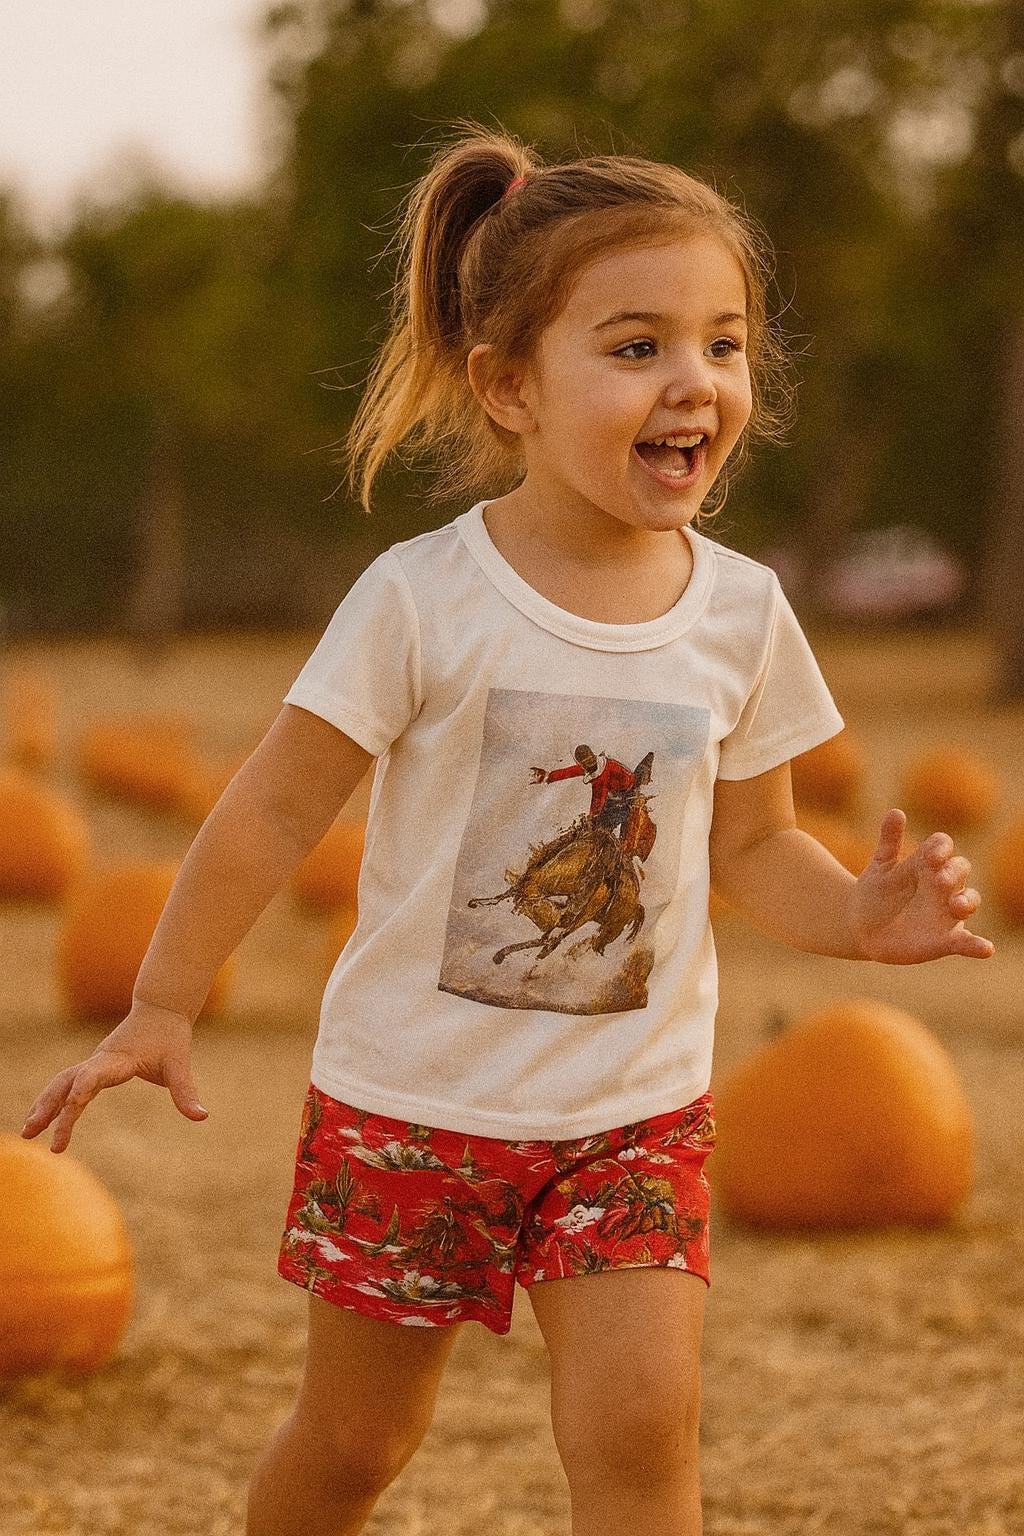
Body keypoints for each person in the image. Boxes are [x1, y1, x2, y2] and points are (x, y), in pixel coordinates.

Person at [20, 122, 996, 1536]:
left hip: (629, 1123)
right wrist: (163, 998)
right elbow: (271, 809)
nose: (694, 383)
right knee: (357, 1442)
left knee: (642, 1434)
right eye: (636, 346)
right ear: (507, 384)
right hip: (410, 1109)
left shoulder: (742, 614)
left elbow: (748, 846)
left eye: (722, 345)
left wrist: (854, 913)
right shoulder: (426, 599)